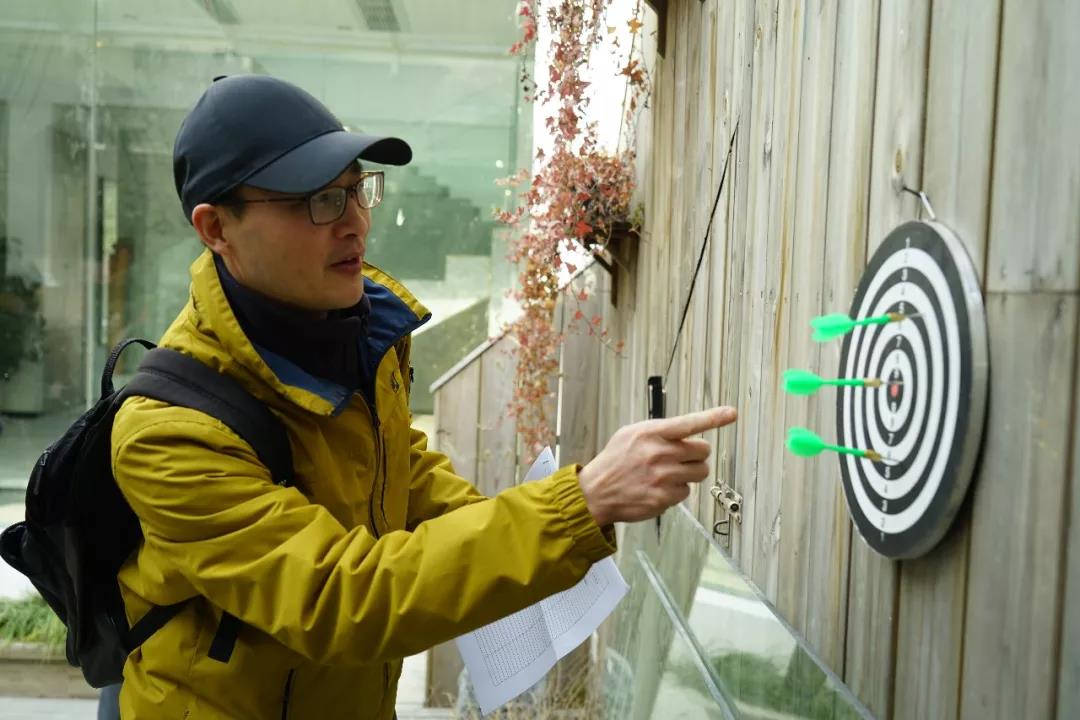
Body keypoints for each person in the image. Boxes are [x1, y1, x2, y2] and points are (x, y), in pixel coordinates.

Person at [108, 74, 738, 719]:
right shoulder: (169, 432)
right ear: (216, 227)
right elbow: (339, 600)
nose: (355, 223)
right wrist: (576, 505)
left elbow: (400, 474)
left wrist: (547, 525)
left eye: (357, 190)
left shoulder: (351, 333)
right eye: (319, 201)